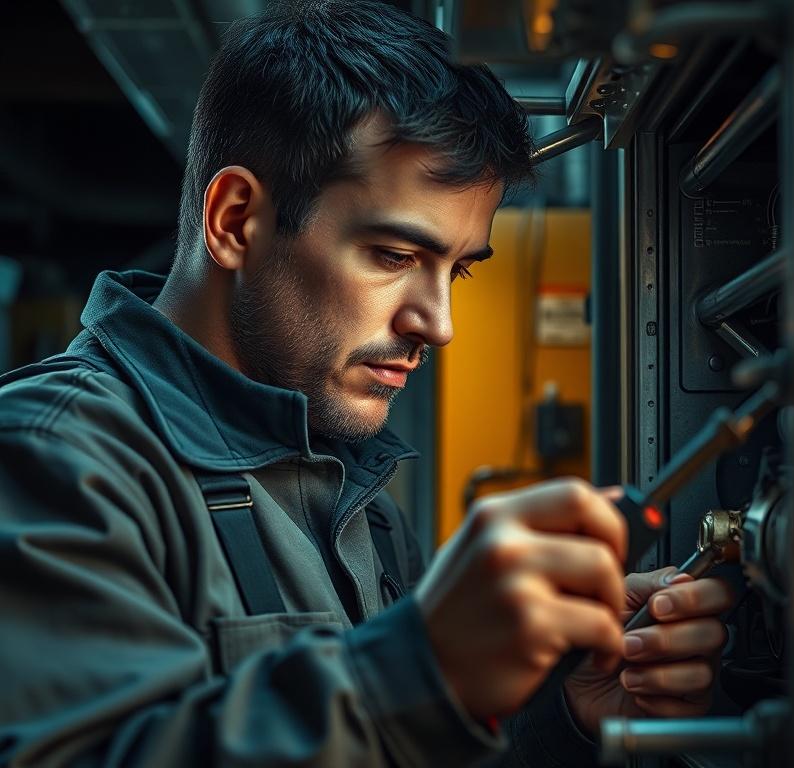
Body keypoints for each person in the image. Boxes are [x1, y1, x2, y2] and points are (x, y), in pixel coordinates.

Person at [0, 2, 732, 765]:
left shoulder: (355, 497)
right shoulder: (53, 459)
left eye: (458, 269)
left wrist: (562, 716)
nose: (438, 323)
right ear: (236, 219)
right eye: (391, 254)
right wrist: (420, 671)